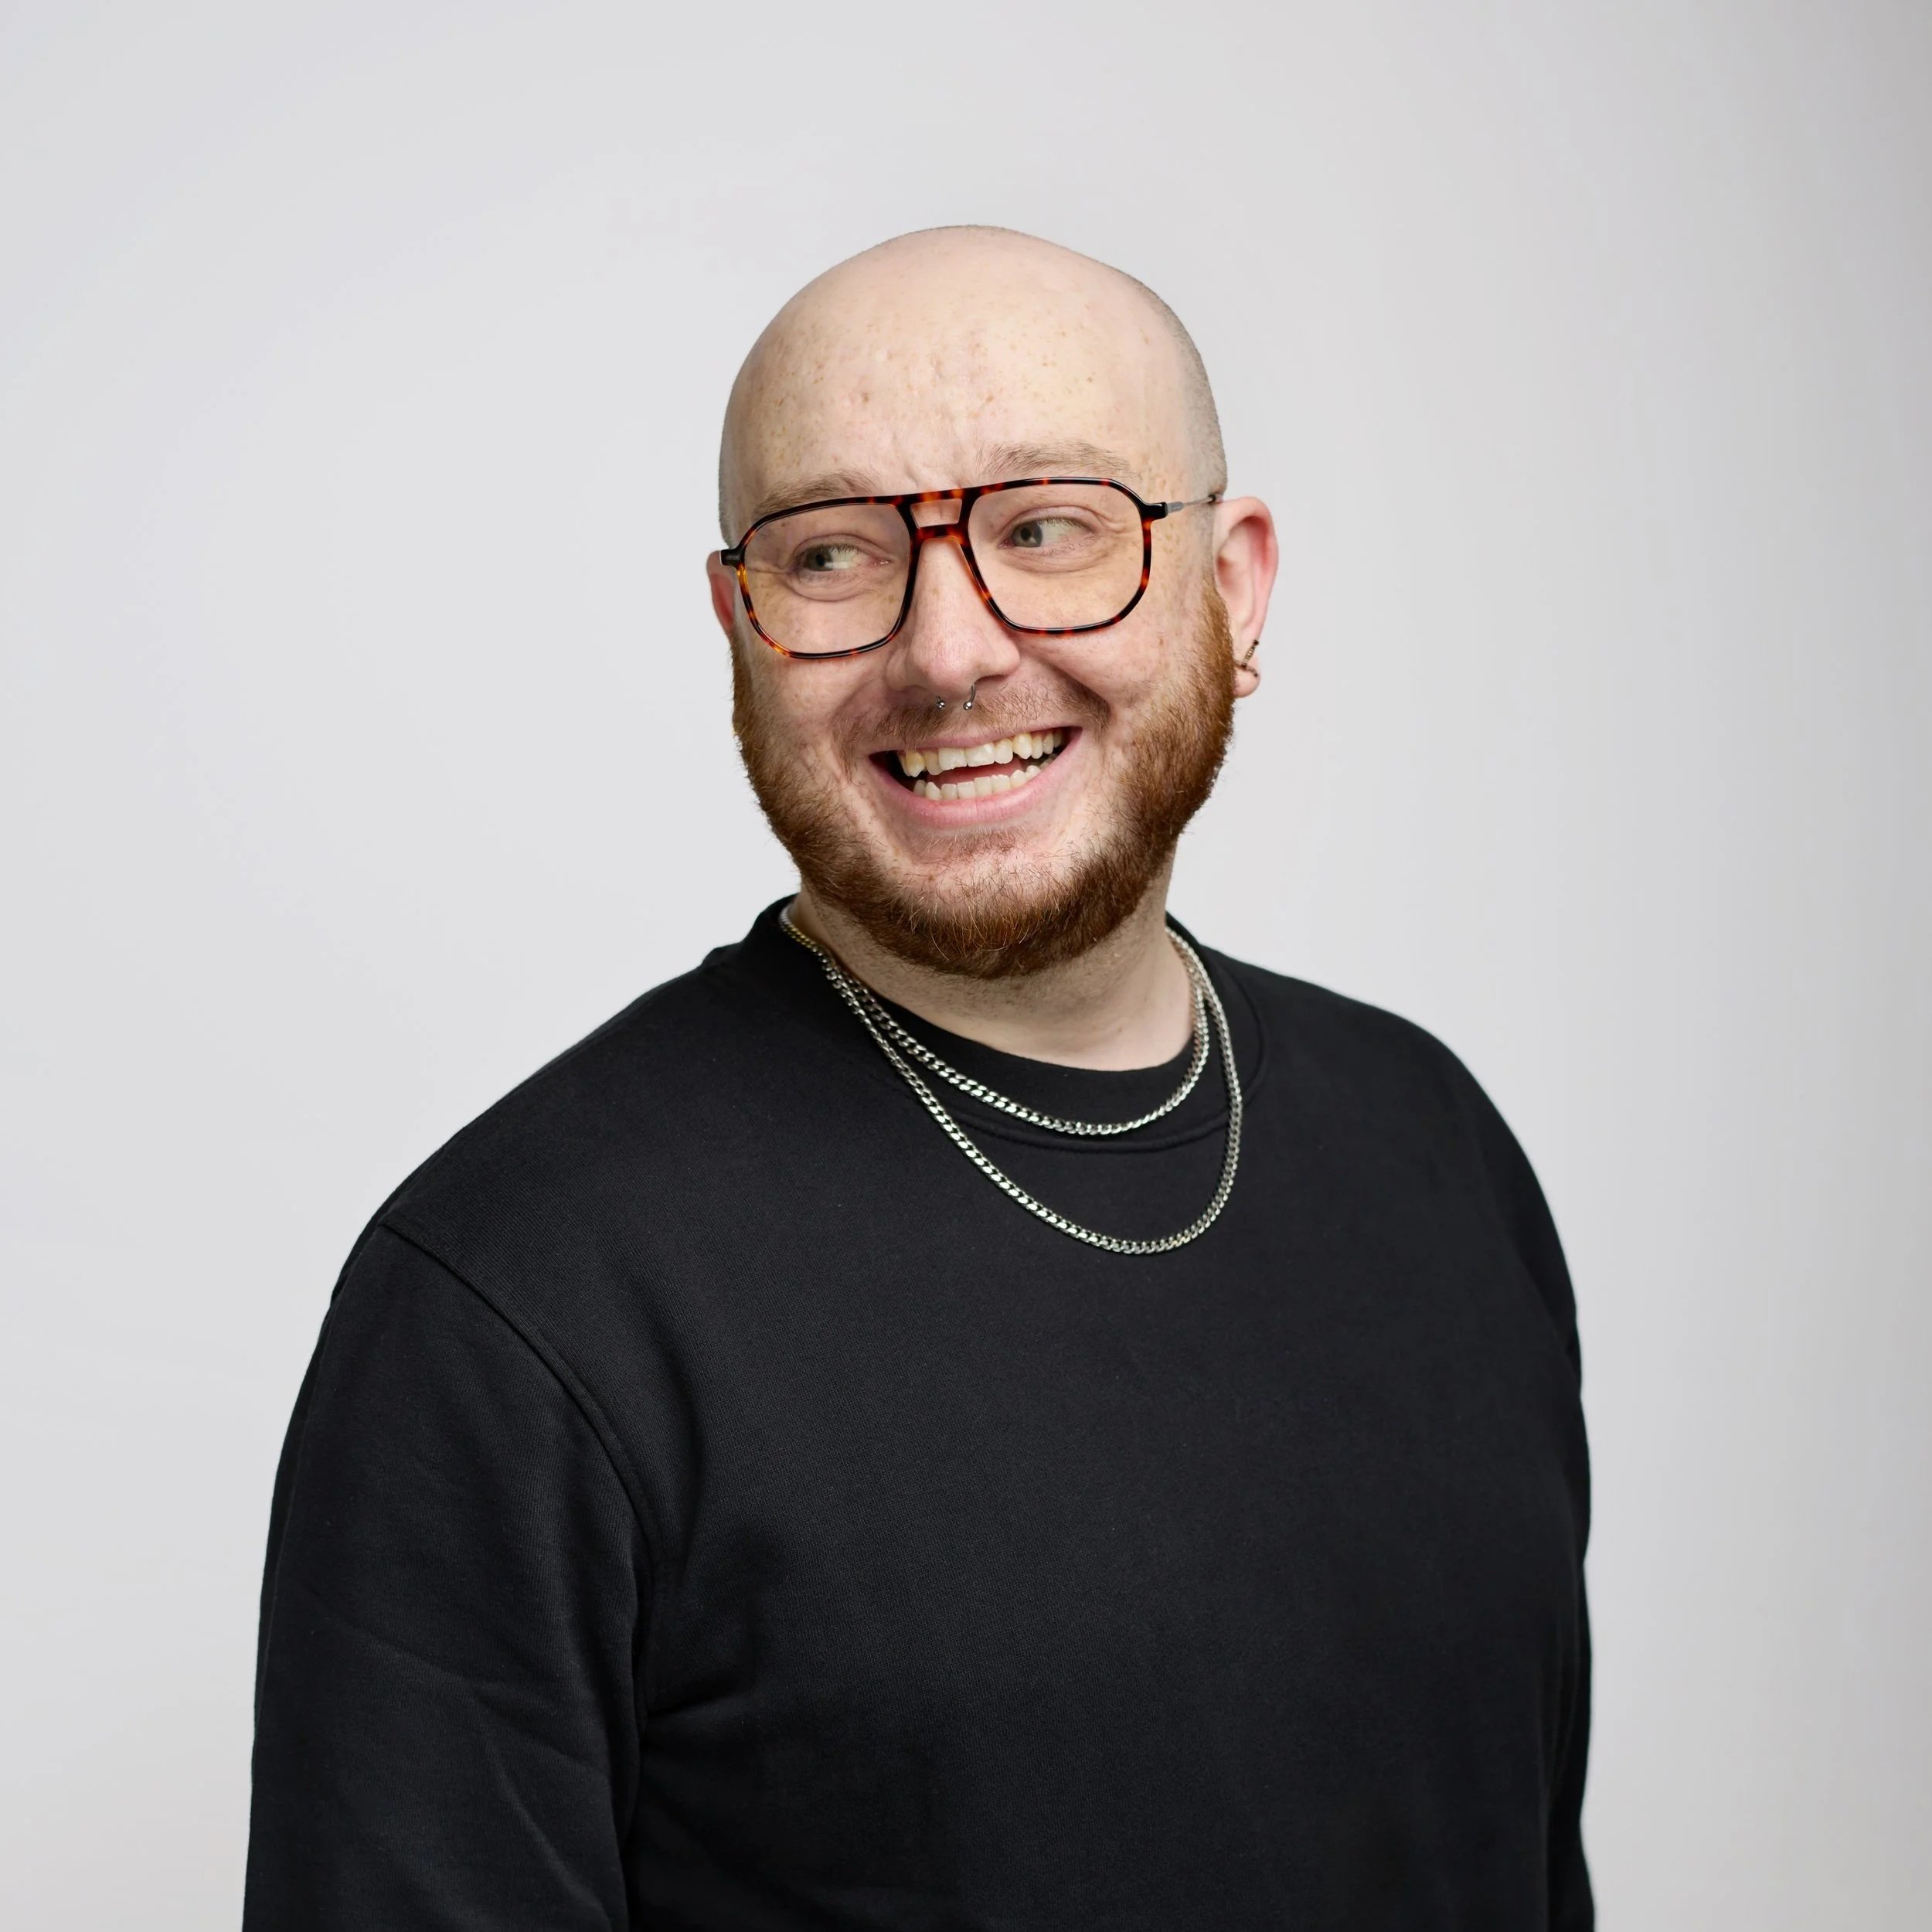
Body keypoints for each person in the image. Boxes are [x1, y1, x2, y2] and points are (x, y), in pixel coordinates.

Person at [243, 226, 1592, 1930]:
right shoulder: (513, 1307)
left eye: (1047, 527)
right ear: (739, 627)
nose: (949, 651)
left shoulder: (1435, 1151)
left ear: (1233, 588)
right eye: (831, 553)